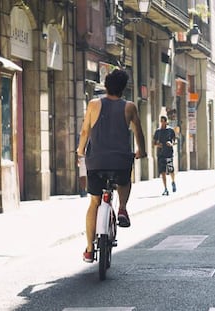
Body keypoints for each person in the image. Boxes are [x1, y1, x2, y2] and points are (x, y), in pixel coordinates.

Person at [77, 69, 147, 263]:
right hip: (120, 160)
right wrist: (142, 150)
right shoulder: (130, 107)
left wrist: (80, 151)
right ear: (124, 89)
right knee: (124, 180)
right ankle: (123, 208)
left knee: (94, 202)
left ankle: (90, 249)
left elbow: (85, 131)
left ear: (105, 85)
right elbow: (138, 132)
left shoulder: (93, 104)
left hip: (96, 161)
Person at [153, 116, 176, 196]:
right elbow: (154, 142)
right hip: (161, 154)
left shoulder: (170, 130)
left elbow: (174, 141)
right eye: (161, 121)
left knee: (171, 170)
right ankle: (165, 188)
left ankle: (173, 182)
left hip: (169, 153)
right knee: (162, 172)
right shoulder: (158, 132)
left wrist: (171, 143)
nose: (162, 123)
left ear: (166, 122)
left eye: (163, 121)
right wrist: (157, 145)